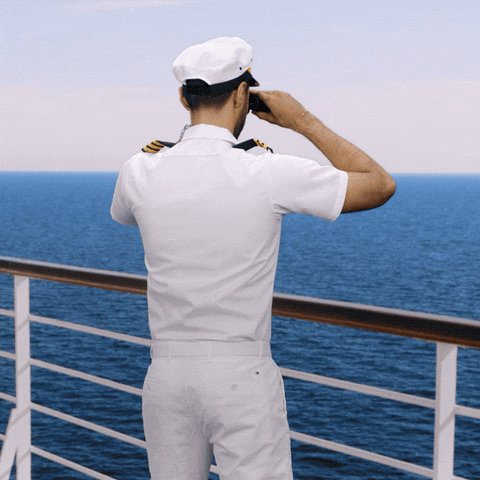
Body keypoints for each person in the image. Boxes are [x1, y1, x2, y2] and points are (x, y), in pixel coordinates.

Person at [110, 37, 395, 480]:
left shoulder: (139, 170)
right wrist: (302, 121)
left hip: (166, 377)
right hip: (241, 378)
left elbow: (123, 215)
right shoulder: (266, 170)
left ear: (183, 97)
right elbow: (379, 184)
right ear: (244, 94)